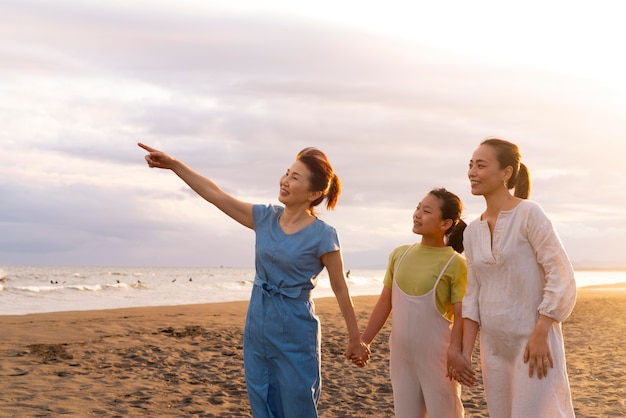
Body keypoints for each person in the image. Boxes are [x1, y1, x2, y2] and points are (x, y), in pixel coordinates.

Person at [138, 143, 370, 418]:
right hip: (258, 323)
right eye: (287, 173)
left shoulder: (324, 235)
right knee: (262, 399)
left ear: (315, 193)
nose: (285, 181)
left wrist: (355, 339)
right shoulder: (264, 217)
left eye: (295, 178)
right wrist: (174, 164)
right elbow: (215, 194)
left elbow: (340, 288)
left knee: (298, 404)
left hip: (296, 328)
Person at [452, 138, 577, 417]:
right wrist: (465, 352)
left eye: (481, 165)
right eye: (470, 165)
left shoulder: (529, 214)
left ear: (506, 172)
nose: (472, 172)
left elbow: (561, 273)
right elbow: (473, 295)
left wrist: (541, 331)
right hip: (494, 349)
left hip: (534, 343)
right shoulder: (472, 231)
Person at [359, 188, 468, 418]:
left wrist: (457, 352)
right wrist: (364, 340)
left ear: (445, 223)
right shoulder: (400, 254)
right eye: (418, 207)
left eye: (426, 211)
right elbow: (384, 302)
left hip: (438, 360)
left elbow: (461, 315)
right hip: (401, 357)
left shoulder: (456, 263)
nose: (417, 214)